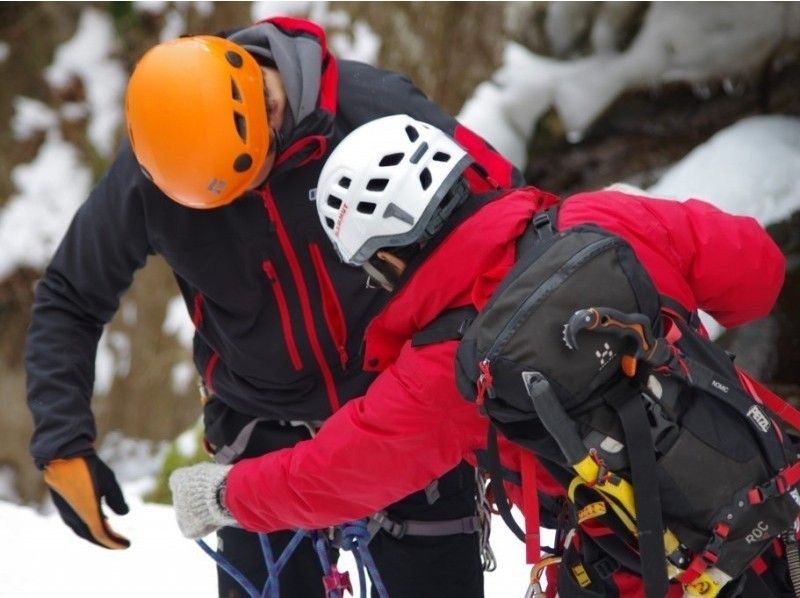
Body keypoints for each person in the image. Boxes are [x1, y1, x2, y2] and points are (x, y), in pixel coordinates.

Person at [168, 114, 790, 596]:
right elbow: (758, 272)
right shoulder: (599, 220)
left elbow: (329, 477)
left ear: (383, 257)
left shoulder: (447, 368)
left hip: (658, 571)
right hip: (779, 487)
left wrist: (225, 496)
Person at [25, 17, 523, 598]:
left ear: (269, 112)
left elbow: (508, 221)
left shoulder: (372, 110)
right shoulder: (158, 166)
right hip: (259, 432)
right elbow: (70, 295)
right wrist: (62, 441)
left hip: (397, 417)